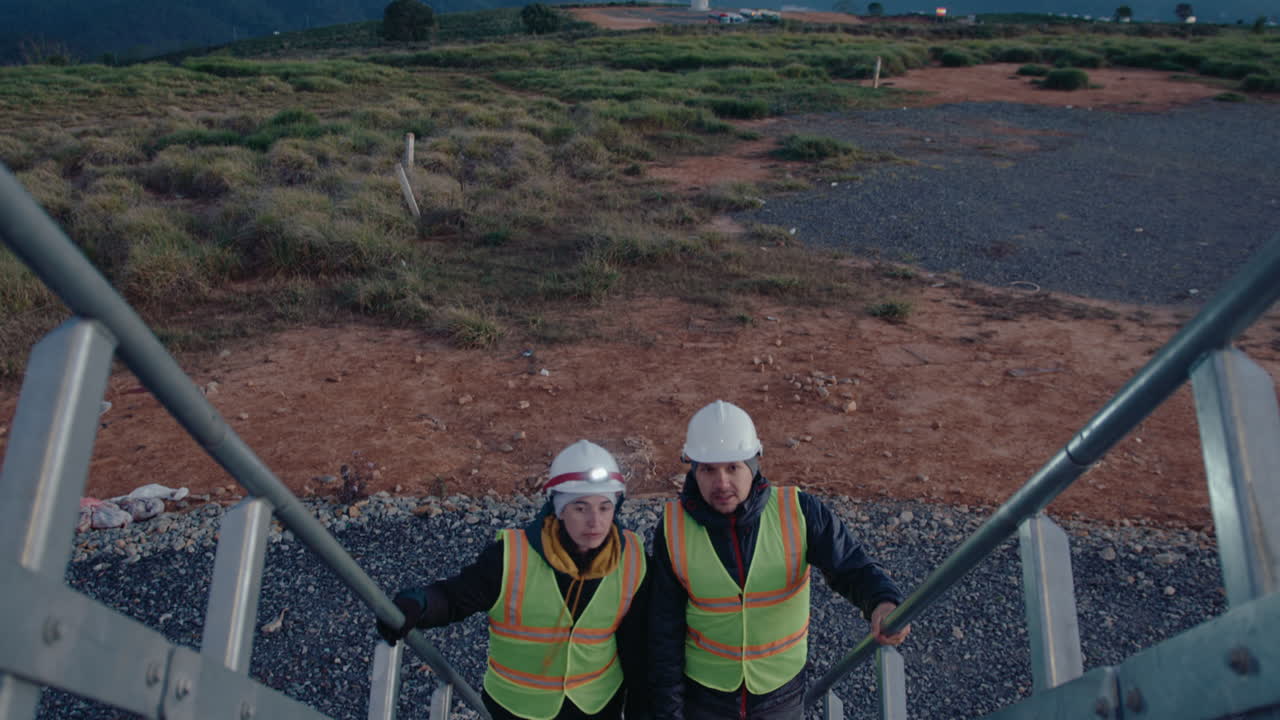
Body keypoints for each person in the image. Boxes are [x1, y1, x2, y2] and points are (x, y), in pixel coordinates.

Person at [649, 400, 909, 719]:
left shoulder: (799, 512)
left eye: (732, 467)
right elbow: (663, 629)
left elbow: (852, 567)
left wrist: (882, 602)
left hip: (779, 695)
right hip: (705, 696)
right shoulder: (672, 528)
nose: (721, 483)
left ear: (755, 463)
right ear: (693, 468)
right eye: (708, 469)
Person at [377, 440, 650, 720]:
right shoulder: (509, 558)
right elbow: (454, 598)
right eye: (580, 508)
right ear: (559, 509)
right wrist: (417, 604)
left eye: (605, 508)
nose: (595, 522)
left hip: (597, 704)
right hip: (518, 707)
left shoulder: (633, 557)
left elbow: (640, 638)